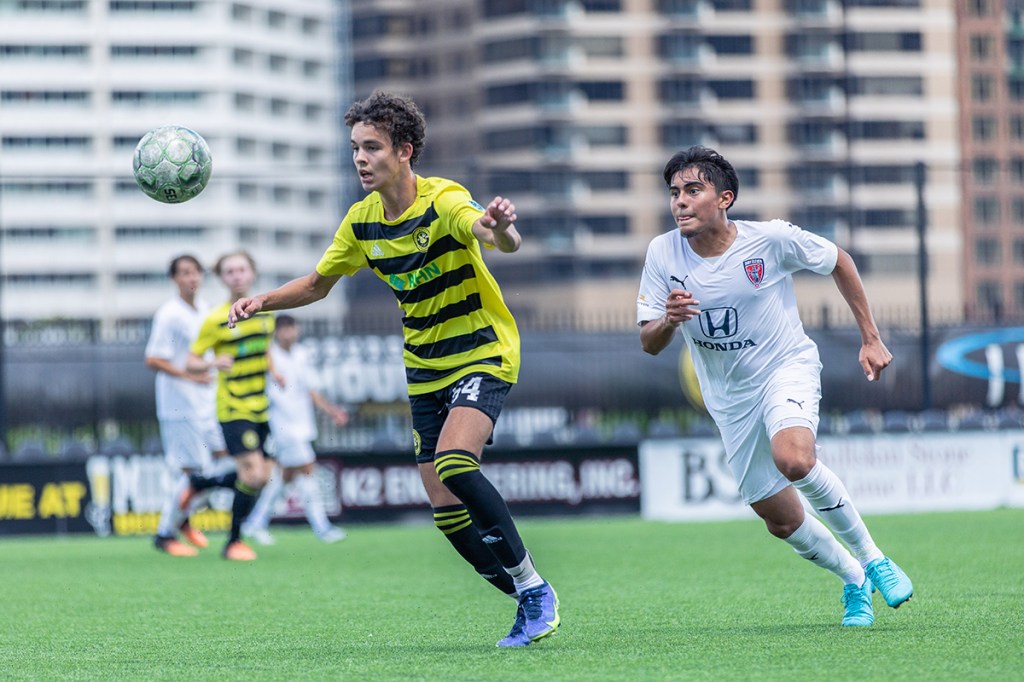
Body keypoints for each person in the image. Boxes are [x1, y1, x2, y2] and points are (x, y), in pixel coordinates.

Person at [226, 90, 559, 647]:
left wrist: (499, 226)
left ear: (404, 150)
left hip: (482, 351)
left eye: (372, 147)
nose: (360, 158)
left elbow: (497, 236)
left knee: (455, 463)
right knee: (446, 511)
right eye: (354, 147)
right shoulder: (360, 222)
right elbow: (315, 284)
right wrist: (261, 301)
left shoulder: (444, 200)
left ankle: (535, 591)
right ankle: (526, 595)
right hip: (424, 366)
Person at [636, 145, 914, 627]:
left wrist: (870, 337)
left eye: (693, 190)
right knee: (779, 519)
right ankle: (853, 579)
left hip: (786, 367)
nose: (679, 201)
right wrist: (668, 319)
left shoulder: (771, 240)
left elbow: (839, 261)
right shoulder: (662, 252)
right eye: (674, 193)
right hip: (729, 399)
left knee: (794, 458)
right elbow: (648, 342)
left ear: (724, 198)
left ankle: (873, 558)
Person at [183, 250, 277, 561]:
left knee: (263, 477)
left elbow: (263, 349)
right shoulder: (216, 319)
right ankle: (233, 542)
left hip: (262, 407)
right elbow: (191, 361)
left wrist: (273, 368)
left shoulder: (266, 312)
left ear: (252, 273)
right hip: (233, 408)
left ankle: (201, 484)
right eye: (229, 271)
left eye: (241, 269)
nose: (236, 275)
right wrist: (212, 362)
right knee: (251, 476)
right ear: (222, 278)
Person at [145, 254, 227, 557]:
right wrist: (189, 376)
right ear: (174, 279)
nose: (192, 278)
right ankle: (165, 534)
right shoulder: (169, 314)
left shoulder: (205, 309)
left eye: (196, 272)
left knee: (227, 460)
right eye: (185, 273)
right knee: (192, 472)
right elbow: (153, 358)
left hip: (206, 402)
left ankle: (183, 518)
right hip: (178, 404)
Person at [242, 314, 349, 545]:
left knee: (285, 476)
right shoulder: (269, 356)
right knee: (308, 470)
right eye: (285, 328)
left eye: (293, 328)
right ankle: (321, 527)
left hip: (303, 424)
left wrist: (332, 411)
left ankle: (255, 522)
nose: (290, 332)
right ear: (277, 332)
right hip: (283, 424)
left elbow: (312, 390)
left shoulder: (302, 354)